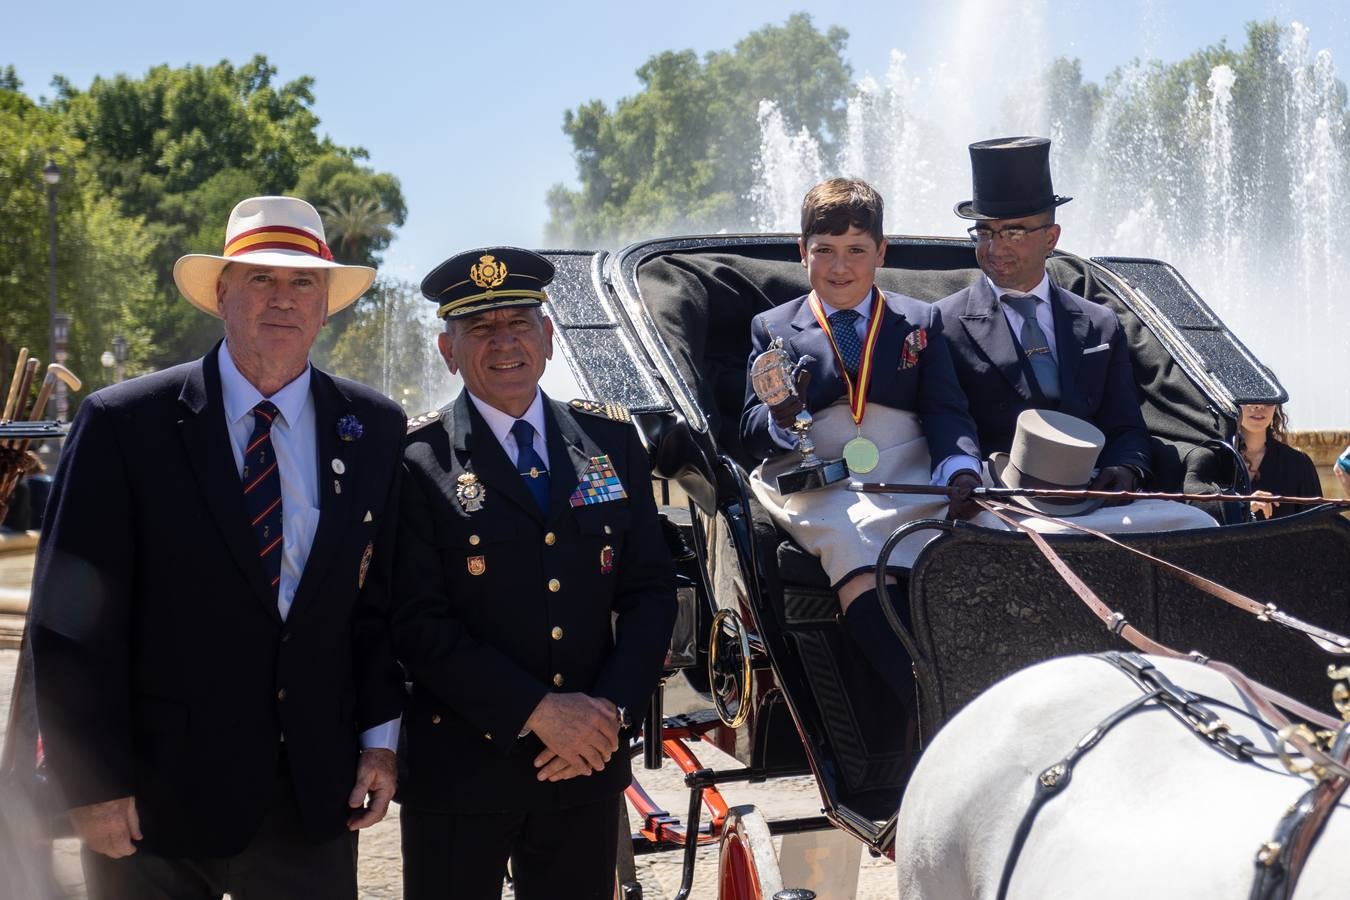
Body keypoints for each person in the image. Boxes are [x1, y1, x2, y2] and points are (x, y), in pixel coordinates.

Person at [28, 196, 407, 899]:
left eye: (303, 282)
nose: (283, 298)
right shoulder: (123, 423)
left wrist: (380, 745)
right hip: (152, 802)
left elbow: (377, 605)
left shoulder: (375, 428)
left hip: (311, 798)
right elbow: (67, 622)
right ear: (222, 293)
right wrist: (91, 783)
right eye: (261, 278)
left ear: (325, 305)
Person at [389, 247, 676, 900]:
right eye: (480, 329)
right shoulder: (415, 460)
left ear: (548, 336)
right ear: (448, 350)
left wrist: (610, 714)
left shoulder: (612, 443)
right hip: (462, 771)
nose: (504, 342)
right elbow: (415, 621)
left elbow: (650, 590)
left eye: (519, 323)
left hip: (585, 765)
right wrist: (539, 712)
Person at [739, 177, 988, 701]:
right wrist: (782, 415)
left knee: (989, 531)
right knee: (854, 550)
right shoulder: (772, 326)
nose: (840, 267)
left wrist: (960, 469)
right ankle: (928, 701)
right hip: (820, 482)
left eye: (856, 250)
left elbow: (946, 411)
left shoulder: (919, 319)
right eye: (824, 251)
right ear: (802, 252)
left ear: (881, 252)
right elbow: (750, 429)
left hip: (908, 470)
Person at [935, 136, 1215, 532]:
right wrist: (962, 473)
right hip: (996, 500)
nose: (995, 248)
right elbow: (946, 418)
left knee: (1196, 525)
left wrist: (1126, 467)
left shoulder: (1100, 323)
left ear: (1051, 237)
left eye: (1013, 233)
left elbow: (1126, 424)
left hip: (1091, 499)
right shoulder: (944, 322)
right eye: (984, 232)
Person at [1235, 402, 1320, 519]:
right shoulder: (1216, 460)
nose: (1259, 405)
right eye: (1248, 397)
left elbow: (1317, 523)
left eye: (1267, 398)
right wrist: (1245, 509)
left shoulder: (1298, 463)